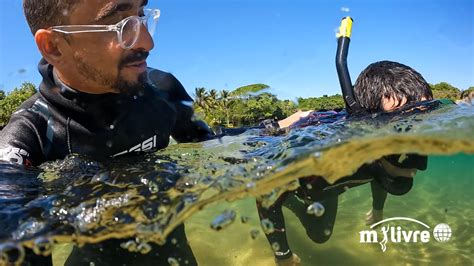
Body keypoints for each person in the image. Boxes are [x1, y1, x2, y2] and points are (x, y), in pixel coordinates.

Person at [0, 0, 214, 265]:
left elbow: (217, 149)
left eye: (140, 16)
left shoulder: (163, 90)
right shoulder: (30, 131)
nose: (147, 43)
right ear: (54, 47)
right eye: (120, 25)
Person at [257, 61, 433, 266]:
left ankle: (294, 205)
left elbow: (380, 174)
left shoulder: (381, 155)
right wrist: (283, 255)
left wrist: (378, 211)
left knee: (319, 236)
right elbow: (264, 190)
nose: (415, 143)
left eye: (424, 119)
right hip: (305, 178)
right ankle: (288, 199)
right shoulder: (327, 144)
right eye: (402, 124)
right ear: (368, 122)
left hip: (326, 190)